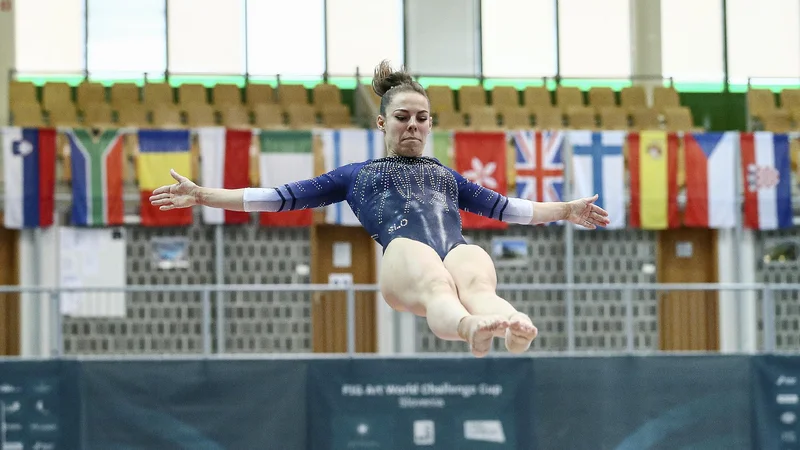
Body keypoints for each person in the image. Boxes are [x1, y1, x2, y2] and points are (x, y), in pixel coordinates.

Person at [149, 60, 610, 358]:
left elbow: (509, 208)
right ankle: (471, 327)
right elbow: (278, 196)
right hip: (403, 264)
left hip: (449, 253)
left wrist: (567, 208)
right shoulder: (356, 175)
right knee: (430, 269)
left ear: (431, 123)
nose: (413, 125)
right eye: (403, 117)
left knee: (473, 264)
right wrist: (205, 194)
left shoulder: (445, 176)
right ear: (382, 121)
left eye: (422, 118)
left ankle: (509, 324)